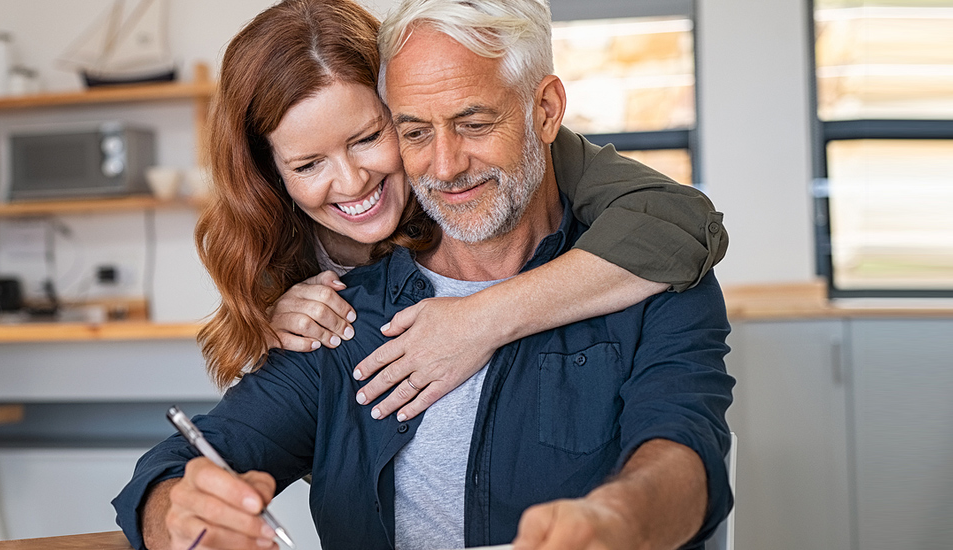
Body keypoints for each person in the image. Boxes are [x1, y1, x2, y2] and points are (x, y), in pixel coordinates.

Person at [117, 1, 734, 549]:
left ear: (545, 111)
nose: (446, 164)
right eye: (416, 130)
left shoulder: (645, 275)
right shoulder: (337, 311)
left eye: (474, 123)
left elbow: (684, 452)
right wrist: (178, 513)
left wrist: (620, 519)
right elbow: (183, 465)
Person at [197, 0, 726, 426]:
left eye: (367, 138)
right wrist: (271, 324)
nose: (353, 181)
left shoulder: (525, 158)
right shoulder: (269, 244)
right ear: (273, 174)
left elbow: (682, 221)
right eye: (309, 164)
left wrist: (479, 319)